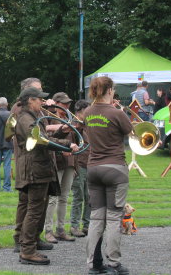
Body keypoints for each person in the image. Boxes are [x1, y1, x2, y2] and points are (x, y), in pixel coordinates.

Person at [13, 87, 78, 265]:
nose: (42, 102)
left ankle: (31, 246)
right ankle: (27, 251)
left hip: (38, 169)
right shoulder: (26, 119)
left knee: (37, 210)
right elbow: (41, 141)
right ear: (30, 100)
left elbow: (43, 137)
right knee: (34, 211)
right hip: (34, 170)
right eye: (38, 99)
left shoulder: (32, 117)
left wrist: (61, 132)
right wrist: (67, 144)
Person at [84, 76, 133, 275]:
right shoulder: (116, 112)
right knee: (113, 218)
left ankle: (93, 264)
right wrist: (119, 110)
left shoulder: (87, 112)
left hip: (93, 168)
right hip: (115, 168)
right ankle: (114, 263)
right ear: (110, 90)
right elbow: (131, 132)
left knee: (96, 218)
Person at [44, 92, 77, 243]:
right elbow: (47, 136)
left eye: (68, 104)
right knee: (52, 198)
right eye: (64, 104)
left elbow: (76, 139)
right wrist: (61, 151)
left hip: (69, 163)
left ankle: (61, 229)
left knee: (64, 197)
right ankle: (48, 230)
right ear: (56, 103)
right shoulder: (48, 116)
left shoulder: (69, 118)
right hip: (56, 162)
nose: (67, 106)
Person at [69, 99, 91, 238]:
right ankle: (74, 226)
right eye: (87, 111)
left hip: (91, 164)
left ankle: (87, 225)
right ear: (80, 111)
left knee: (90, 197)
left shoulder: (90, 124)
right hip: (79, 164)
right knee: (78, 196)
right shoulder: (73, 125)